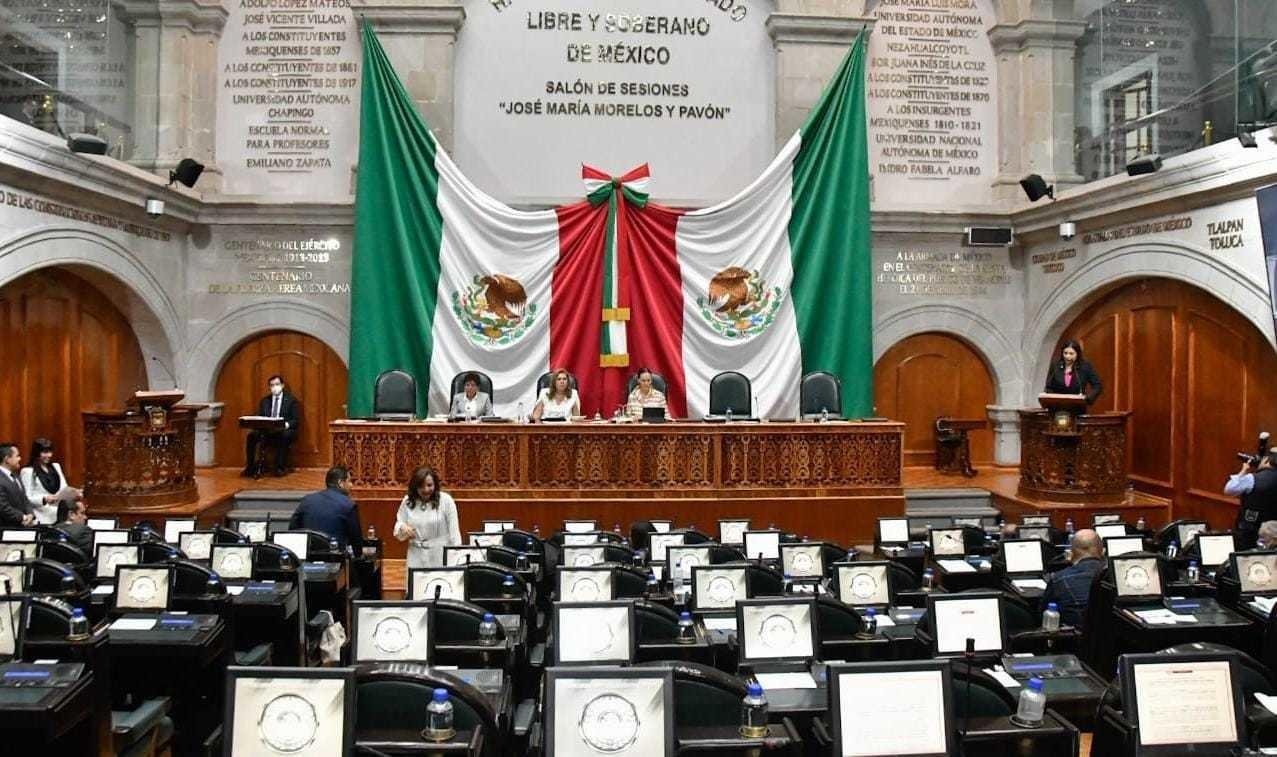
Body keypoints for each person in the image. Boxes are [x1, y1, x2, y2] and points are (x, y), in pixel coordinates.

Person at [394, 467, 461, 568]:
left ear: (435, 484)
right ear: (415, 486)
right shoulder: (408, 502)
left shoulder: (446, 501)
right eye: (421, 486)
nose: (426, 490)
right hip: (415, 557)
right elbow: (399, 526)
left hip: (440, 557)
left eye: (429, 485)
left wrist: (456, 562)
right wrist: (403, 528)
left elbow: (455, 535)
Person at [1041, 529, 1105, 629]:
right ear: (1103, 551)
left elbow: (1042, 614)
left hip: (1072, 640)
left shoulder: (1058, 578)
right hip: (1115, 641)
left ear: (1070, 554)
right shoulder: (1113, 577)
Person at [290, 466, 364, 552]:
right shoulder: (348, 505)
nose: (351, 485)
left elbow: (292, 530)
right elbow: (356, 539)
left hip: (309, 556)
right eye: (349, 481)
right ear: (340, 483)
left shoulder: (307, 500)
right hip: (335, 558)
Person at [243, 374, 301, 477]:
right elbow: (261, 417)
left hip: (284, 430)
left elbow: (295, 420)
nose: (274, 387)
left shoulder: (291, 401)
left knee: (284, 436)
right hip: (267, 431)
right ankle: (250, 467)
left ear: (282, 385)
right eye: (272, 385)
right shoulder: (265, 401)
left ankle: (279, 467)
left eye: (277, 384)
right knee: (251, 436)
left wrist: (284, 425)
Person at [20, 438, 80, 525]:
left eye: (50, 452)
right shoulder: (28, 471)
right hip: (41, 517)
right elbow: (27, 498)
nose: (49, 455)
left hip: (60, 515)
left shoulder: (56, 466)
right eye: (45, 452)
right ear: (36, 453)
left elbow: (64, 488)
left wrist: (73, 492)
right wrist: (44, 499)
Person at [1225, 450, 1277, 549]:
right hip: (1273, 533)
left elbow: (1229, 489)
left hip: (1249, 530)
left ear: (1266, 460)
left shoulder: (1252, 479)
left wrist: (1243, 471)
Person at [1044, 340, 1102, 405]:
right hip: (1056, 407)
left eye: (1071, 354)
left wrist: (1088, 398)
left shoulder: (1085, 366)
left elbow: (1097, 385)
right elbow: (1048, 386)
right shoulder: (1055, 365)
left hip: (1077, 407)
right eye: (1065, 353)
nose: (1067, 356)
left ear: (1077, 354)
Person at [0, 443, 33, 527]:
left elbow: (25, 499)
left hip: (22, 526)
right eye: (17, 456)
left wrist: (30, 514)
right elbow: (3, 507)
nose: (20, 458)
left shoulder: (16, 476)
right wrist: (23, 517)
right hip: (6, 528)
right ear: (7, 459)